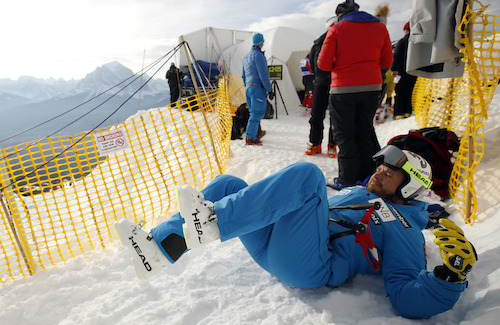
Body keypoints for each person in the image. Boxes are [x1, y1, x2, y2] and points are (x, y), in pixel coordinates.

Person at [116, 145, 477, 319]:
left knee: (308, 176)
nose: (378, 173)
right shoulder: (360, 192)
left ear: (409, 189)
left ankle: (210, 224)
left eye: (389, 174)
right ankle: (159, 250)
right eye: (380, 167)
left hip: (311, 266)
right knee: (229, 184)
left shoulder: (405, 228)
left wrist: (445, 282)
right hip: (279, 246)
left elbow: (403, 292)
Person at [317, 0, 393, 189]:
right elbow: (387, 61)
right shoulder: (380, 28)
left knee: (345, 134)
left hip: (343, 89)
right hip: (371, 88)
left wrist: (340, 67)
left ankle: (348, 179)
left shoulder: (337, 29)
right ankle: (369, 176)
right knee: (365, 131)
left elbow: (323, 64)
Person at [305, 16, 338, 158]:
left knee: (325, 115)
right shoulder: (319, 42)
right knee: (325, 115)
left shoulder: (320, 42)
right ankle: (318, 144)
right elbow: (311, 61)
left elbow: (312, 63)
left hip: (327, 82)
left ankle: (327, 144)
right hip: (328, 82)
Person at [241, 33, 274, 145]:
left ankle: (256, 132)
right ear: (261, 43)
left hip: (249, 88)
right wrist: (269, 89)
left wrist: (248, 87)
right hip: (257, 88)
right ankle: (250, 138)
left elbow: (243, 75)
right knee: (257, 113)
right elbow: (263, 74)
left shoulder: (246, 56)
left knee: (253, 112)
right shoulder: (259, 56)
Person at [391, 22, 418, 119]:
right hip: (414, 71)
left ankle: (398, 113)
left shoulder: (402, 41)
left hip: (402, 72)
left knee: (400, 92)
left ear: (406, 30)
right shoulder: (416, 42)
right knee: (409, 92)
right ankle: (407, 111)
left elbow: (396, 56)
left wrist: (393, 69)